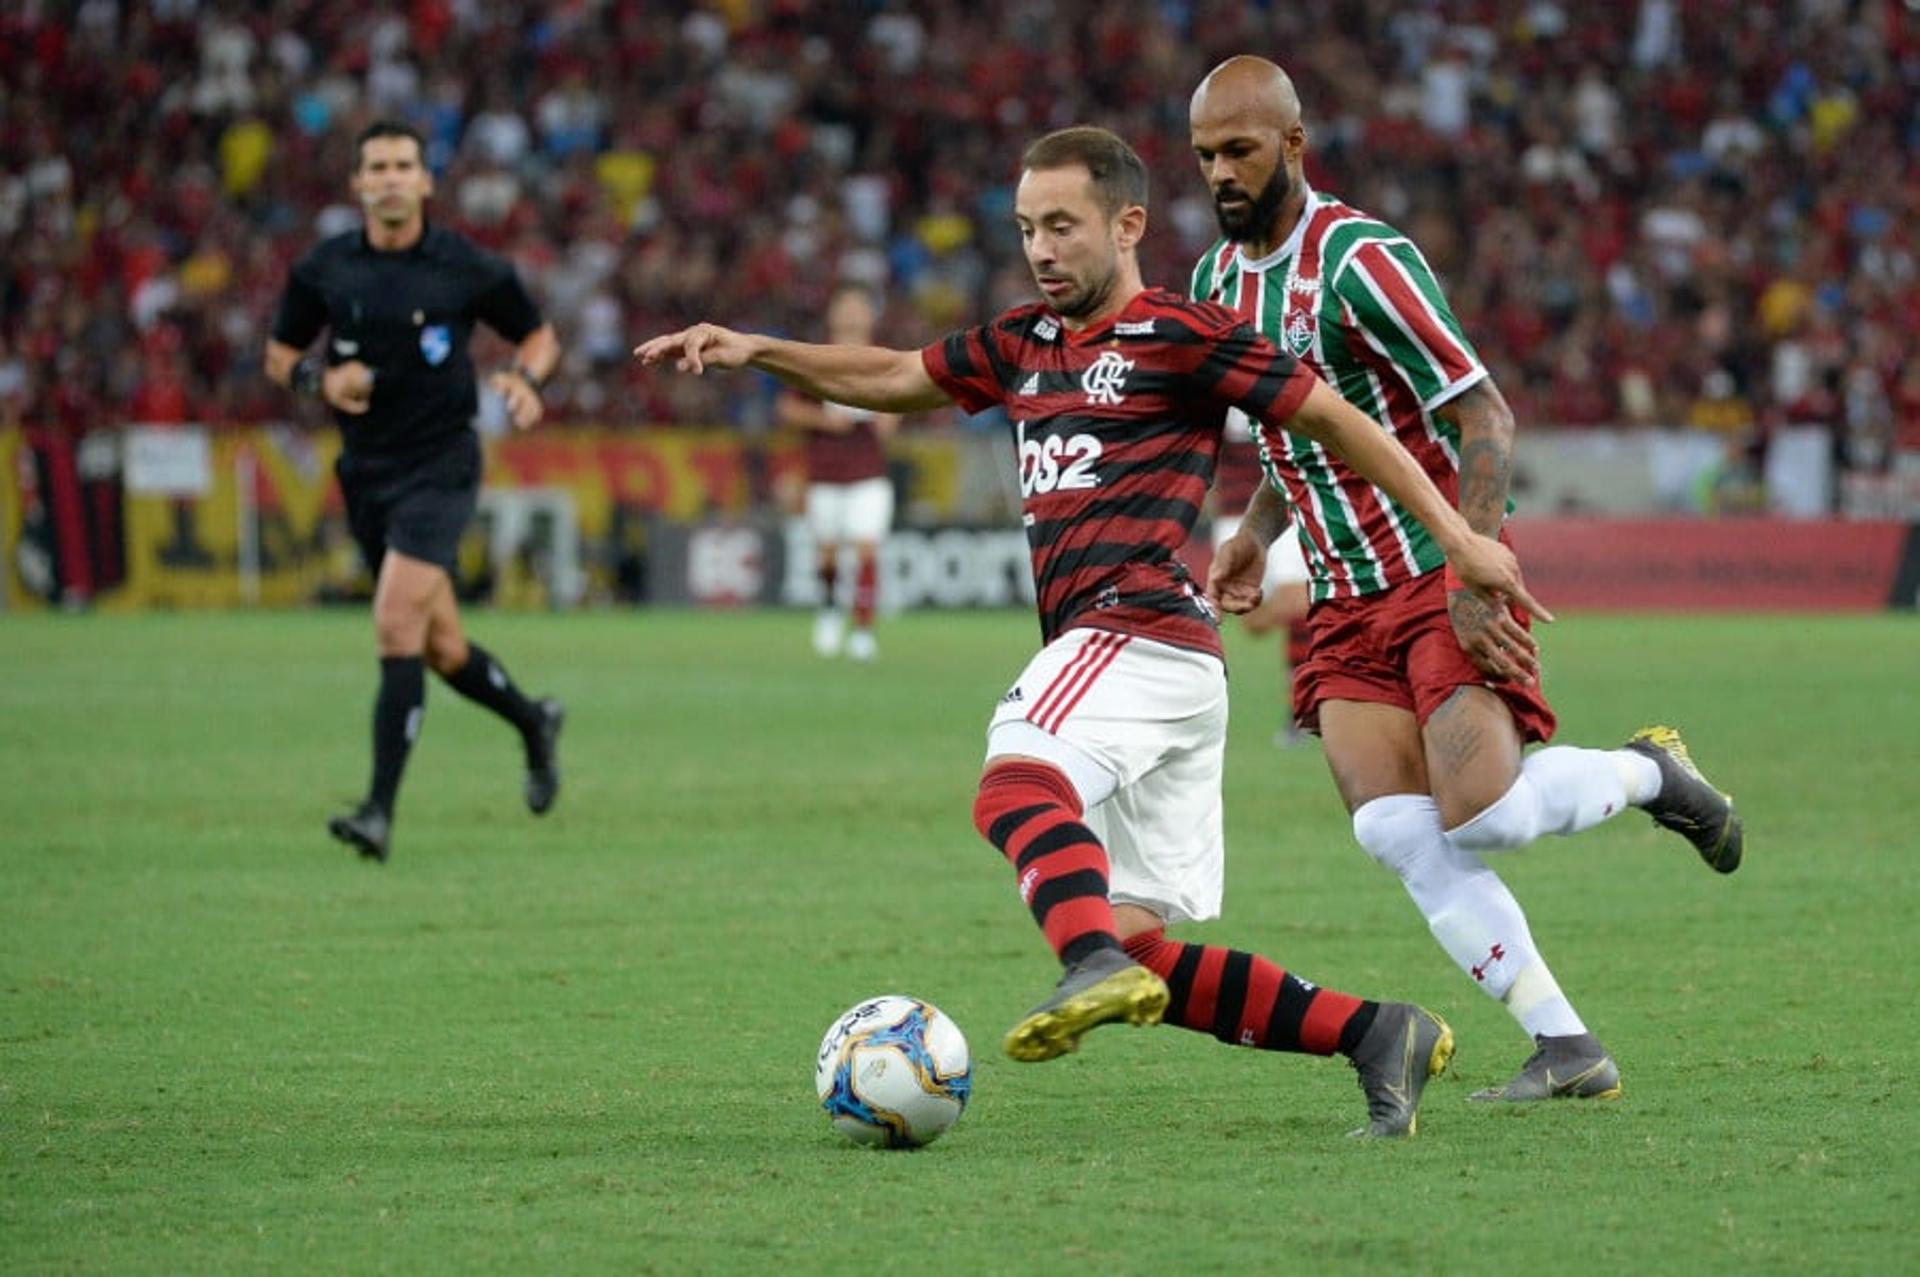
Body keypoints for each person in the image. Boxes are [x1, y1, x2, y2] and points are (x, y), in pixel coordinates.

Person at [640, 126, 1554, 1138]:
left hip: (1141, 629)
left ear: (1127, 225)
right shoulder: (1022, 344)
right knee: (1142, 942)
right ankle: (1379, 1032)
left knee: (1014, 778)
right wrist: (757, 348)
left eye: (1062, 225)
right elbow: (895, 376)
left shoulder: (1182, 331)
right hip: (1154, 665)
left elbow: (1337, 418)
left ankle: (1085, 963)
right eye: (1028, 227)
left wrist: (1462, 539)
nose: (1040, 247)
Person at [1191, 57, 1744, 1101]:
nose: (1221, 172)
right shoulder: (1216, 285)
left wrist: (1472, 569)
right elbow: (1294, 435)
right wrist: (1258, 533)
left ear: (1293, 146)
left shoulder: (1361, 259)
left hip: (1432, 571)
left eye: (1240, 150)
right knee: (1392, 827)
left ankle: (1650, 774)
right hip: (1345, 599)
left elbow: (1483, 412)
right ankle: (1566, 1044)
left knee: (1482, 813)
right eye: (1206, 155)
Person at [264, 120, 566, 864]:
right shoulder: (324, 269)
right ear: (359, 184)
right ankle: (533, 721)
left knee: (396, 622)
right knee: (441, 645)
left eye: (406, 165)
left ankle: (376, 812)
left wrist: (527, 382)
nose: (393, 177)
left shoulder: (465, 265)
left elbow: (539, 336)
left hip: (443, 467)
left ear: (427, 181)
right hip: (367, 474)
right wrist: (320, 378)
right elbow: (278, 355)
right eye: (379, 166)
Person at [776, 284, 901, 661]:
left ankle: (863, 629)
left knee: (866, 549)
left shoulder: (881, 358)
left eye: (858, 307)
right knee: (827, 553)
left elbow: (899, 401)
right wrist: (828, 421)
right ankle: (830, 607)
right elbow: (789, 408)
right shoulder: (817, 358)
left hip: (868, 471)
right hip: (825, 471)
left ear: (869, 315)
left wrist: (887, 419)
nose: (851, 314)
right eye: (845, 306)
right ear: (833, 314)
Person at [1210, 412, 1312, 746]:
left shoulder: (1273, 378)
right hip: (1231, 517)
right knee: (1251, 621)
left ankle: (1301, 710)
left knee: (1296, 602)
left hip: (1281, 511)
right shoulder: (1215, 389)